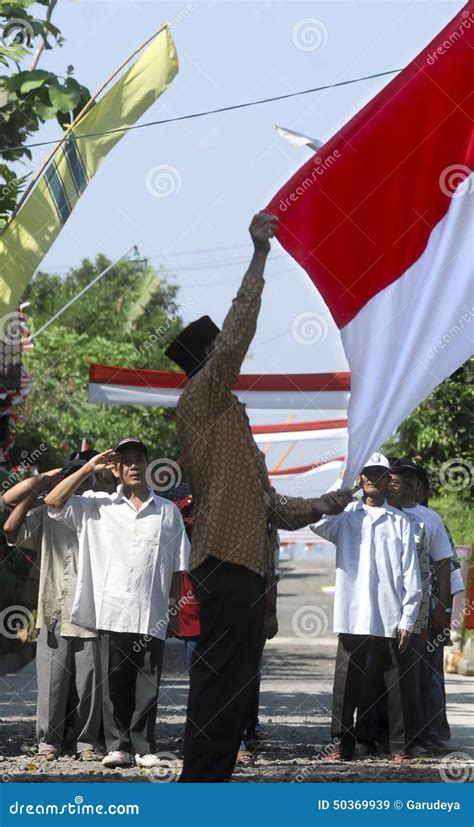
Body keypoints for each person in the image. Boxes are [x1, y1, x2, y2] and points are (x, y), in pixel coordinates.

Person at [165, 212, 353, 782]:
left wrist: (323, 505)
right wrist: (259, 255)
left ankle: (212, 778)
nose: (231, 355)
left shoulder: (231, 419)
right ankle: (201, 781)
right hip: (224, 562)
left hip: (245, 566)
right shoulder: (202, 398)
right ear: (209, 359)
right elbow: (240, 330)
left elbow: (269, 505)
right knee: (221, 678)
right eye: (221, 351)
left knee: (235, 681)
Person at [45, 438, 190, 770]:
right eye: (126, 461)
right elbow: (53, 502)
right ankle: (118, 746)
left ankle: (145, 747)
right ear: (116, 468)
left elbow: (178, 567)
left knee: (148, 683)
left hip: (152, 611)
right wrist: (88, 467)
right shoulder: (98, 505)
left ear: (149, 466)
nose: (134, 465)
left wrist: (174, 611)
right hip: (111, 609)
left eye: (140, 459)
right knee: (112, 682)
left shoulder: (167, 512)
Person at [311, 453, 422, 763]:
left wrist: (407, 618)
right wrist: (344, 481)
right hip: (352, 614)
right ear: (360, 479)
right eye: (367, 473)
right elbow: (317, 519)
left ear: (388, 480)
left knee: (396, 682)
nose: (373, 478)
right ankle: (340, 745)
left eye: (379, 473)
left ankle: (400, 747)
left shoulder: (401, 522)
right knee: (346, 683)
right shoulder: (344, 518)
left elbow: (411, 574)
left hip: (390, 614)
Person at [3, 461, 103, 762]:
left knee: (89, 682)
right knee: (52, 682)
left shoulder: (104, 513)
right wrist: (39, 484)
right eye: (79, 475)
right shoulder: (46, 515)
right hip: (54, 606)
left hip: (93, 609)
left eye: (91, 477)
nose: (86, 482)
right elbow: (10, 527)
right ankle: (49, 743)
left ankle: (86, 743)